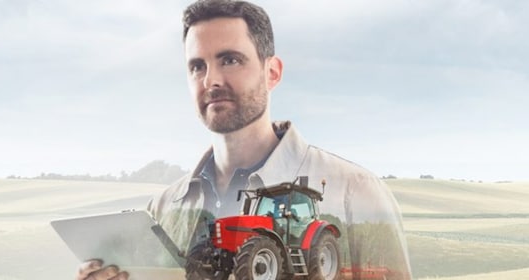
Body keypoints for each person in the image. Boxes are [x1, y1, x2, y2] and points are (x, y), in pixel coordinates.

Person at [75, 1, 412, 279]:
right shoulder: (162, 210)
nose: (211, 80)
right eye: (196, 66)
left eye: (230, 60)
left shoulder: (357, 193)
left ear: (272, 72)